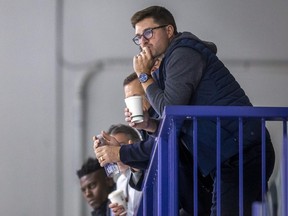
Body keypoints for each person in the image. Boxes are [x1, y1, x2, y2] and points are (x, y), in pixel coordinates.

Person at [127, 5, 275, 216]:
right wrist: (149, 124)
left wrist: (143, 76)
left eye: (148, 33)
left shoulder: (182, 53)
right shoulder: (167, 65)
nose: (142, 42)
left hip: (242, 151)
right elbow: (174, 122)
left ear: (169, 31)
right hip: (230, 153)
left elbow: (170, 109)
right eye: (138, 37)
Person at [94, 72, 212, 215]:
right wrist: (120, 152)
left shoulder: (164, 114)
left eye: (135, 97)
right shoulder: (145, 126)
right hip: (187, 204)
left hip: (204, 194)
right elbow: (147, 177)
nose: (132, 104)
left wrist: (120, 152)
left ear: (150, 93)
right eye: (128, 100)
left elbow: (160, 145)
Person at [107, 123, 143, 216]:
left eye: (121, 147)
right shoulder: (121, 181)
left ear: (135, 145)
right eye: (111, 149)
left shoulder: (146, 172)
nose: (116, 153)